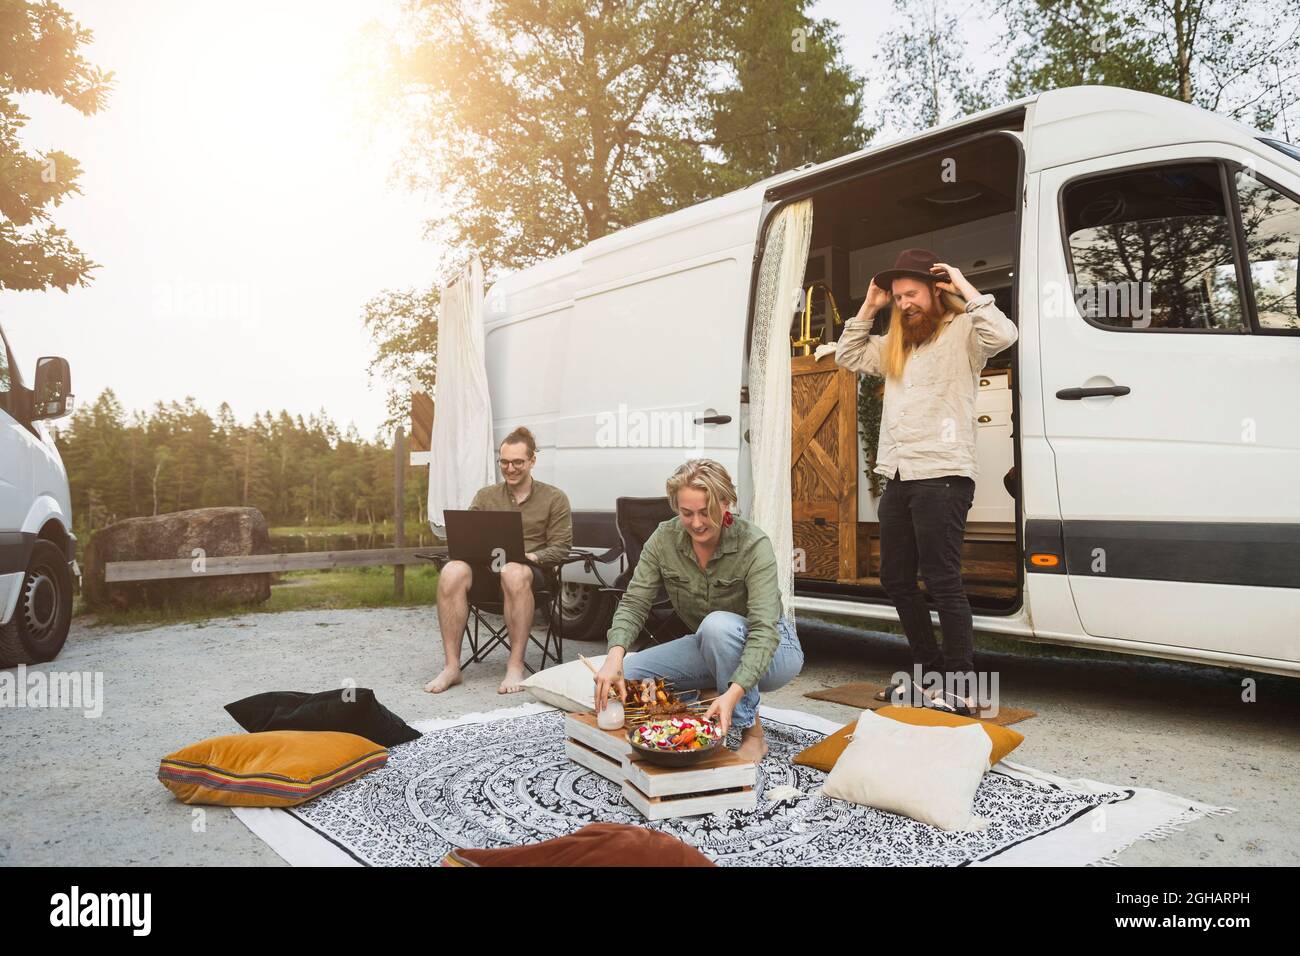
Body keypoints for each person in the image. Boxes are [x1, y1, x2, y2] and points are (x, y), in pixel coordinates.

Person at [835, 248, 1017, 711]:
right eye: (898, 297)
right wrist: (870, 306)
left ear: (936, 291)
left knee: (942, 580)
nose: (904, 304)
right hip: (899, 472)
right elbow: (848, 354)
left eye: (911, 294)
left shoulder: (965, 333)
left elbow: (1005, 333)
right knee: (896, 579)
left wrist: (962, 283)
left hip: (944, 473)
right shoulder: (895, 344)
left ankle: (961, 684)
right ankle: (929, 672)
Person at [593, 459, 803, 762]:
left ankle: (752, 733)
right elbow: (636, 600)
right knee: (629, 681)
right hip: (710, 645)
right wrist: (615, 655)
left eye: (706, 512)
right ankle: (707, 698)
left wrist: (735, 693)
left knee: (717, 626)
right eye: (686, 513)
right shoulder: (664, 539)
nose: (696, 523)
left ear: (726, 503)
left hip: (774, 650)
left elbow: (763, 629)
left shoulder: (753, 543)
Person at [425, 426, 572, 695]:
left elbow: (562, 548)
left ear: (532, 461)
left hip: (532, 578)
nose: (510, 468)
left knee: (514, 570)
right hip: (487, 573)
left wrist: (532, 556)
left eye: (518, 462)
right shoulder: (486, 496)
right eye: (504, 462)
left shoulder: (554, 498)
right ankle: (451, 667)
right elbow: (466, 538)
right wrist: (465, 551)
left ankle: (515, 665)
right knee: (452, 570)